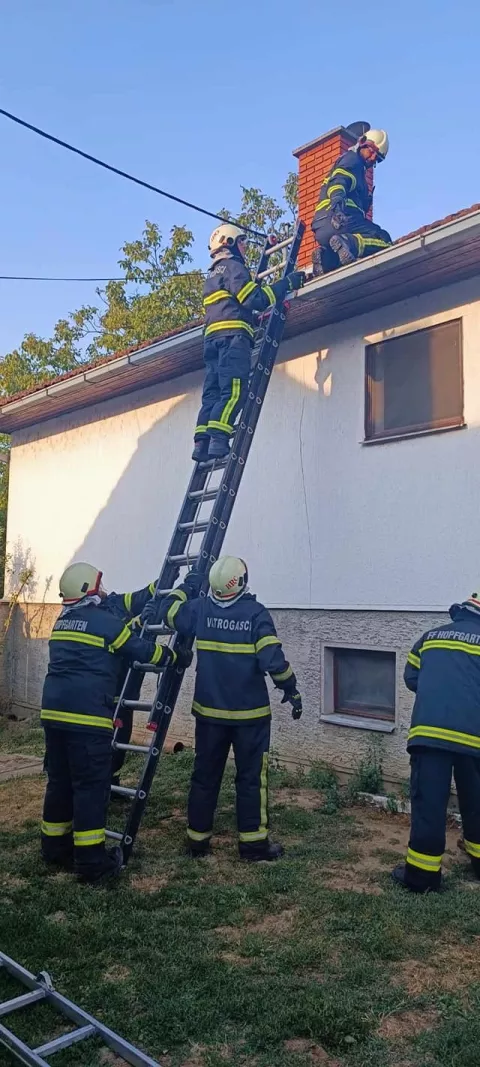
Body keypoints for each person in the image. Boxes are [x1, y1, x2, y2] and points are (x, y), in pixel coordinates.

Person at [40, 561, 184, 885]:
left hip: (53, 716)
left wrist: (161, 583)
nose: (103, 589)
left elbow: (129, 600)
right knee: (91, 788)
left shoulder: (62, 622)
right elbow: (141, 649)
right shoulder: (106, 623)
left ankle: (54, 849)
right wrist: (174, 658)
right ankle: (92, 864)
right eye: (99, 585)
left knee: (60, 783)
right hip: (88, 719)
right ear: (90, 591)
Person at [152, 556, 302, 861]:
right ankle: (253, 846)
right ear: (242, 582)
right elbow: (274, 663)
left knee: (205, 776)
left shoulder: (199, 610)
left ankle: (197, 842)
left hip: (209, 715)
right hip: (250, 717)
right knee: (250, 779)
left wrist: (187, 586)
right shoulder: (256, 614)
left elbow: (166, 612)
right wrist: (291, 690)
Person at [192, 224, 306, 463]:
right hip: (233, 339)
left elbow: (230, 306)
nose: (244, 247)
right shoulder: (234, 268)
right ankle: (219, 439)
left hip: (212, 341)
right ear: (230, 243)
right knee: (234, 390)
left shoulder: (211, 276)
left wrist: (253, 318)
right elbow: (255, 298)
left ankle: (201, 443)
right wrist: (288, 283)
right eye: (241, 242)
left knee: (211, 393)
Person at [393, 589, 480, 893]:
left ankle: (422, 877)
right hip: (474, 739)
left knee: (429, 805)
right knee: (477, 802)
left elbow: (411, 677)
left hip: (429, 735)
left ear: (461, 611)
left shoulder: (431, 637)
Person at [311, 129, 392, 276]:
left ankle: (325, 258)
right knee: (384, 239)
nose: (374, 158)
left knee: (340, 254)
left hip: (321, 228)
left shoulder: (352, 166)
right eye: (372, 151)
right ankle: (349, 242)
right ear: (362, 143)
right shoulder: (352, 161)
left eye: (378, 158)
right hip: (341, 220)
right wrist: (337, 206)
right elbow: (339, 183)